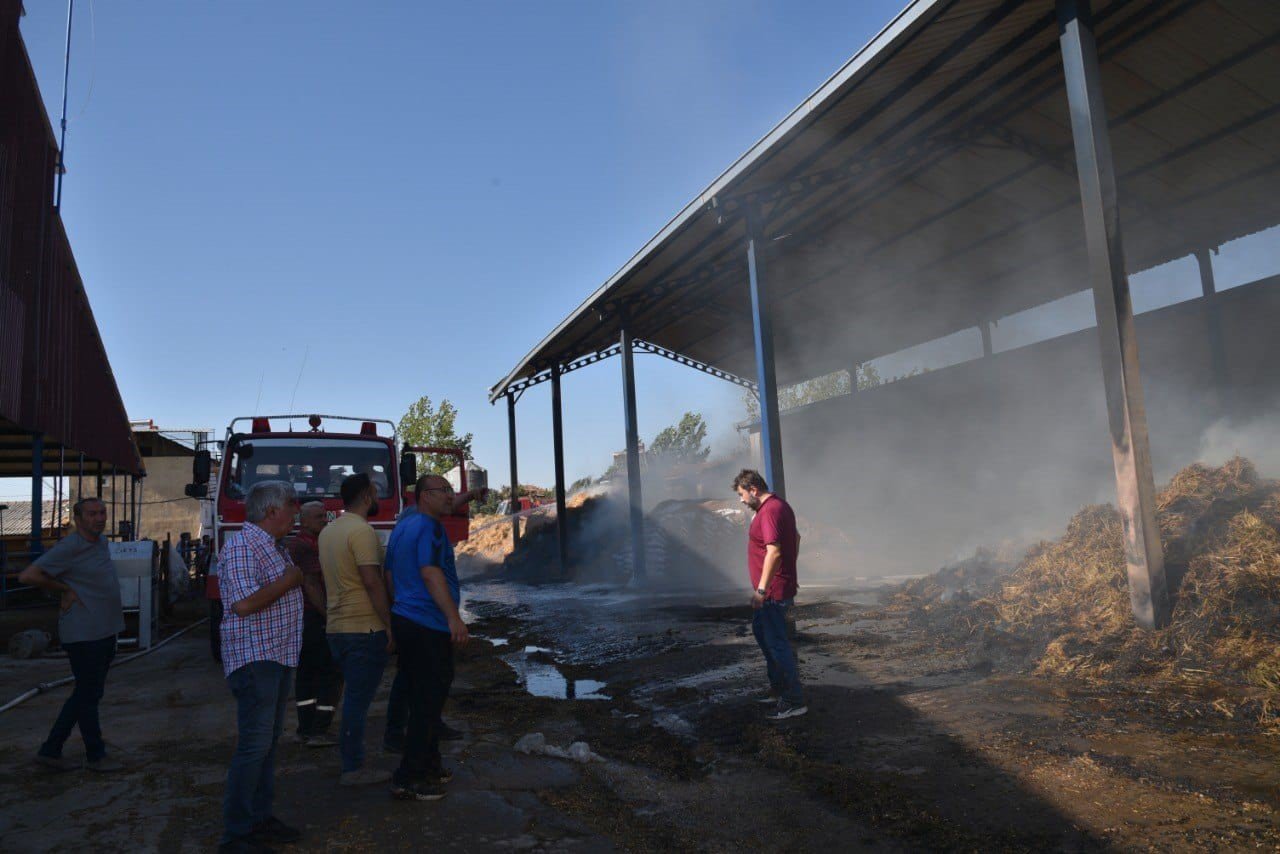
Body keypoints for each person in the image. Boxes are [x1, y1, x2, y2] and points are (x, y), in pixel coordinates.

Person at [217, 481, 306, 852]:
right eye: (291, 508)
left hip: (277, 655)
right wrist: (289, 581)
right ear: (272, 511)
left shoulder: (272, 546)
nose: (296, 514)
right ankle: (237, 834)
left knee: (267, 744)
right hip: (257, 659)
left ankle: (259, 818)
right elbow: (243, 605)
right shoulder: (241, 547)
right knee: (255, 746)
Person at [19, 497, 126, 773]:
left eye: (102, 512)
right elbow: (29, 575)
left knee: (88, 693)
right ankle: (95, 755)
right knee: (87, 695)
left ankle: (51, 750)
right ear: (78, 518)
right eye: (92, 514)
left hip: (105, 629)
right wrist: (63, 589)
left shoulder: (101, 543)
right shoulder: (70, 547)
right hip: (83, 633)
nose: (99, 518)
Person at [384, 474, 470, 801]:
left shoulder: (404, 527)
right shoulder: (430, 528)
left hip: (408, 620)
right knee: (427, 702)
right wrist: (453, 618)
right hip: (427, 625)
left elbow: (389, 573)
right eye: (443, 491)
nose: (450, 496)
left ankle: (430, 764)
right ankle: (409, 776)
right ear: (424, 496)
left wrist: (399, 609)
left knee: (423, 697)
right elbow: (430, 573)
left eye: (451, 490)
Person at [320, 472, 393, 786]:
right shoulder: (362, 532)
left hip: (336, 626)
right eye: (375, 493)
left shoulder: (328, 532)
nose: (377, 499)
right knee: (357, 702)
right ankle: (353, 768)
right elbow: (371, 582)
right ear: (366, 496)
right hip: (363, 627)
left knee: (352, 698)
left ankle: (352, 761)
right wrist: (389, 625)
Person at [732, 469, 807, 721]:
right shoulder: (776, 507)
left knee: (776, 643)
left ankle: (794, 700)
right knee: (763, 634)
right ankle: (779, 689)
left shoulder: (770, 511)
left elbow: (774, 551)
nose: (741, 500)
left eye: (742, 495)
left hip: (771, 592)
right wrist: (788, 568)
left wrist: (762, 589)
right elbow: (795, 538)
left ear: (753, 489)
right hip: (772, 587)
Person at [285, 501, 341, 747]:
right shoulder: (306, 546)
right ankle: (318, 730)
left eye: (325, 516)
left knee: (307, 674)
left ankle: (305, 728)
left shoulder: (303, 543)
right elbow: (311, 584)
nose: (324, 520)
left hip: (305, 618)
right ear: (303, 521)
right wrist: (329, 616)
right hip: (313, 617)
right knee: (330, 673)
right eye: (319, 517)